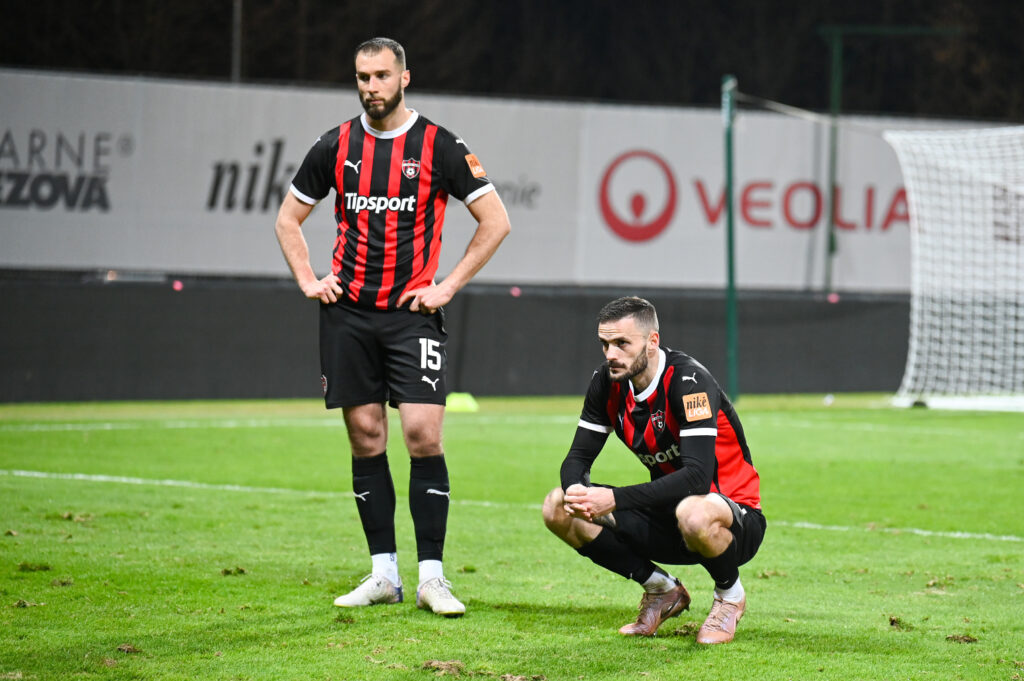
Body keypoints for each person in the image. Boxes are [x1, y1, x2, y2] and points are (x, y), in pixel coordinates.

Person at [274, 37, 511, 617]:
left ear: (405, 78)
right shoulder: (335, 144)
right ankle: (384, 573)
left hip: (412, 317)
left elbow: (495, 220)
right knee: (366, 436)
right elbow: (288, 219)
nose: (371, 86)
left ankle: (432, 577)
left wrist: (447, 286)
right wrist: (308, 279)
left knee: (423, 434)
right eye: (363, 77)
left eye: (381, 75)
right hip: (348, 316)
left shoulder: (439, 144)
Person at [542, 297, 765, 644]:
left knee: (693, 511)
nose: (611, 354)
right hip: (669, 517)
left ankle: (730, 596)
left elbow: (697, 478)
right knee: (557, 506)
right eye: (605, 344)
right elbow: (578, 457)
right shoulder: (607, 382)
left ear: (652, 341)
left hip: (733, 519)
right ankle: (661, 589)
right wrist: (575, 490)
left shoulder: (689, 382)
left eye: (622, 343)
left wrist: (614, 499)